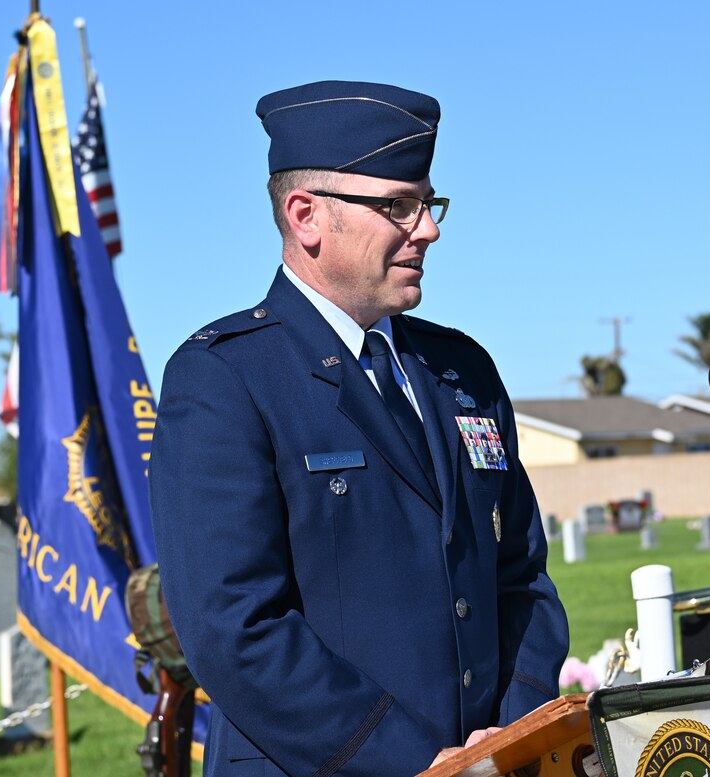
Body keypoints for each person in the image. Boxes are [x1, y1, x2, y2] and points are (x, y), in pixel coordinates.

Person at [149, 80, 569, 776]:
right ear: (306, 215)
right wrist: (416, 762)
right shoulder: (226, 379)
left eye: (428, 204)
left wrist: (509, 737)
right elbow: (235, 629)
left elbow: (521, 578)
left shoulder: (460, 370)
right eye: (397, 206)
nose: (427, 228)